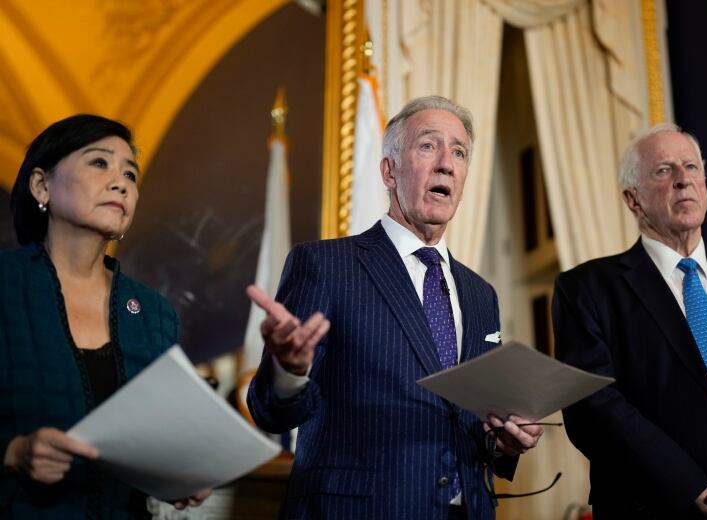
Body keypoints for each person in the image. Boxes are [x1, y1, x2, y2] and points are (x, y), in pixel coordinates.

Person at [246, 96, 544, 519]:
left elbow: (472, 423)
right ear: (389, 170)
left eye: (458, 152)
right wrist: (289, 371)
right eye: (428, 146)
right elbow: (272, 413)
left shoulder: (481, 295)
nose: (446, 163)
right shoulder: (325, 265)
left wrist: (503, 442)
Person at [553, 123, 707, 519]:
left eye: (691, 167)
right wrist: (693, 489)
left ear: (706, 186)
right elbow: (592, 407)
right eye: (663, 170)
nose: (682, 180)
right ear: (632, 199)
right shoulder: (587, 289)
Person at [0, 114, 210, 518]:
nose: (121, 183)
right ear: (42, 185)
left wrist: (178, 474)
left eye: (130, 174)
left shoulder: (155, 314)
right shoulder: (6, 284)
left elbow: (156, 438)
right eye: (99, 163)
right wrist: (13, 452)